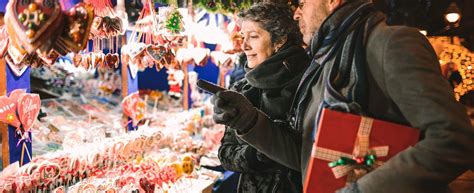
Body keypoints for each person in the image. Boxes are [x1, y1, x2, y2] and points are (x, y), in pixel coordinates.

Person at [211, 0, 474, 192]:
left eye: (303, 2)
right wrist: (249, 121)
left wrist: (361, 189)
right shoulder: (326, 61)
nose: (297, 13)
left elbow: (454, 139)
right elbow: (306, 156)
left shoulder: (389, 43)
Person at [216, 3, 310, 193]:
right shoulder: (242, 88)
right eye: (243, 36)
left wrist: (273, 145)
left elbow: (311, 154)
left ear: (280, 40)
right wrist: (259, 155)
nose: (244, 46)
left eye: (253, 36)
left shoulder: (309, 81)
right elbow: (225, 154)